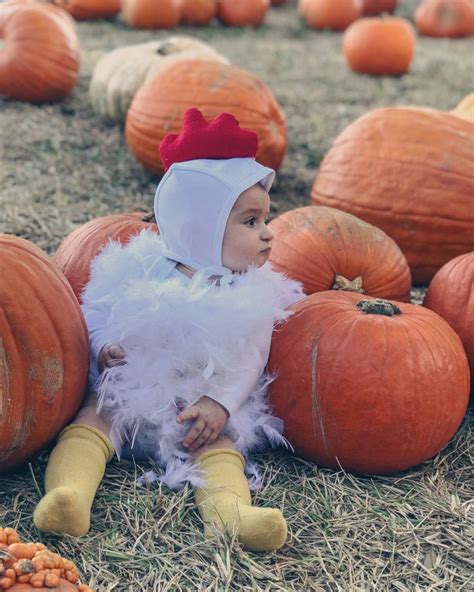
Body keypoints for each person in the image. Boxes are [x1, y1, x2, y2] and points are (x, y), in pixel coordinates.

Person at [33, 108, 305, 552]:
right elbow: (96, 312)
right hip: (130, 394)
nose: (269, 234)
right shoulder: (137, 266)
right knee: (93, 418)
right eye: (251, 222)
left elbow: (250, 360)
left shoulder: (251, 294)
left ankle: (232, 515)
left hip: (198, 409)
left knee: (220, 446)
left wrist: (220, 403)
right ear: (201, 227)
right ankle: (69, 496)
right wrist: (105, 347)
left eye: (265, 221)